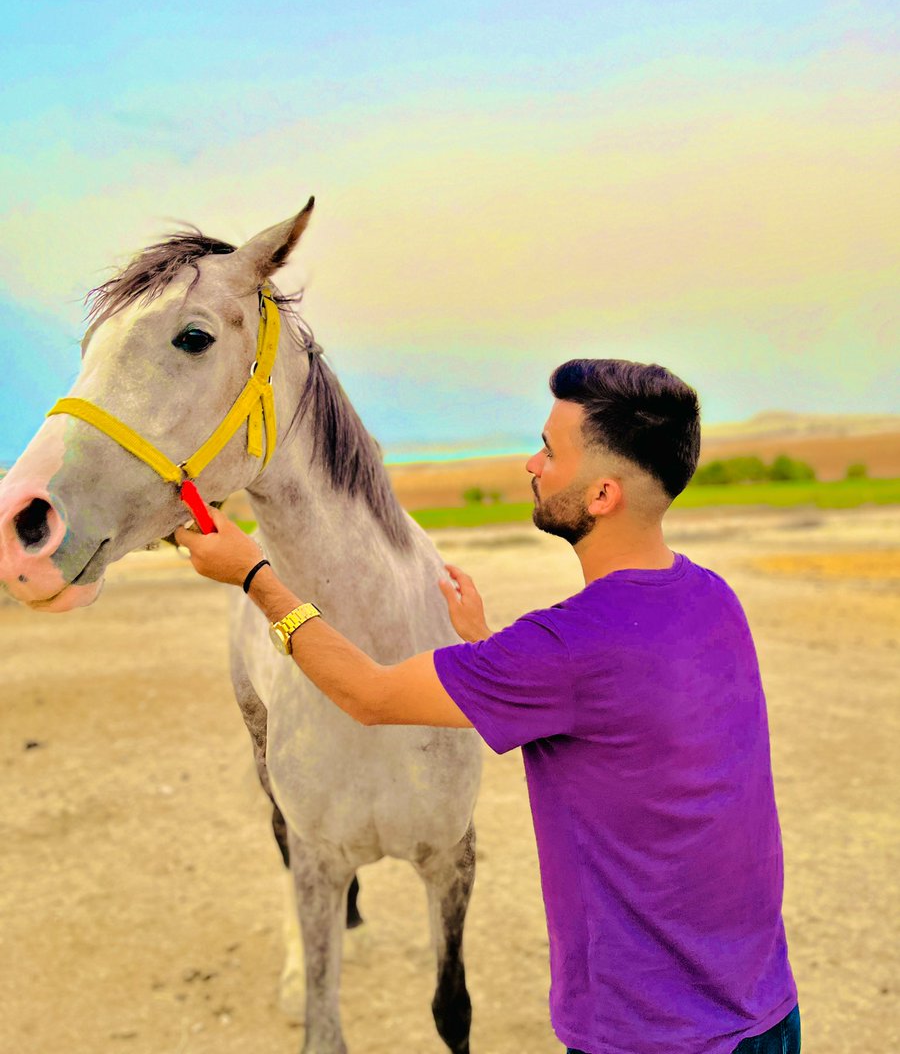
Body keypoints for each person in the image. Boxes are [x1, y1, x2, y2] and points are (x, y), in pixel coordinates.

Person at [175, 357, 800, 1054]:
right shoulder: (712, 597)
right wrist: (487, 646)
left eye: (549, 450)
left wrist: (255, 577)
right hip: (765, 1009)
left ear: (600, 494)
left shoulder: (561, 652)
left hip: (650, 1035)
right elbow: (610, 698)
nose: (531, 463)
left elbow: (370, 696)